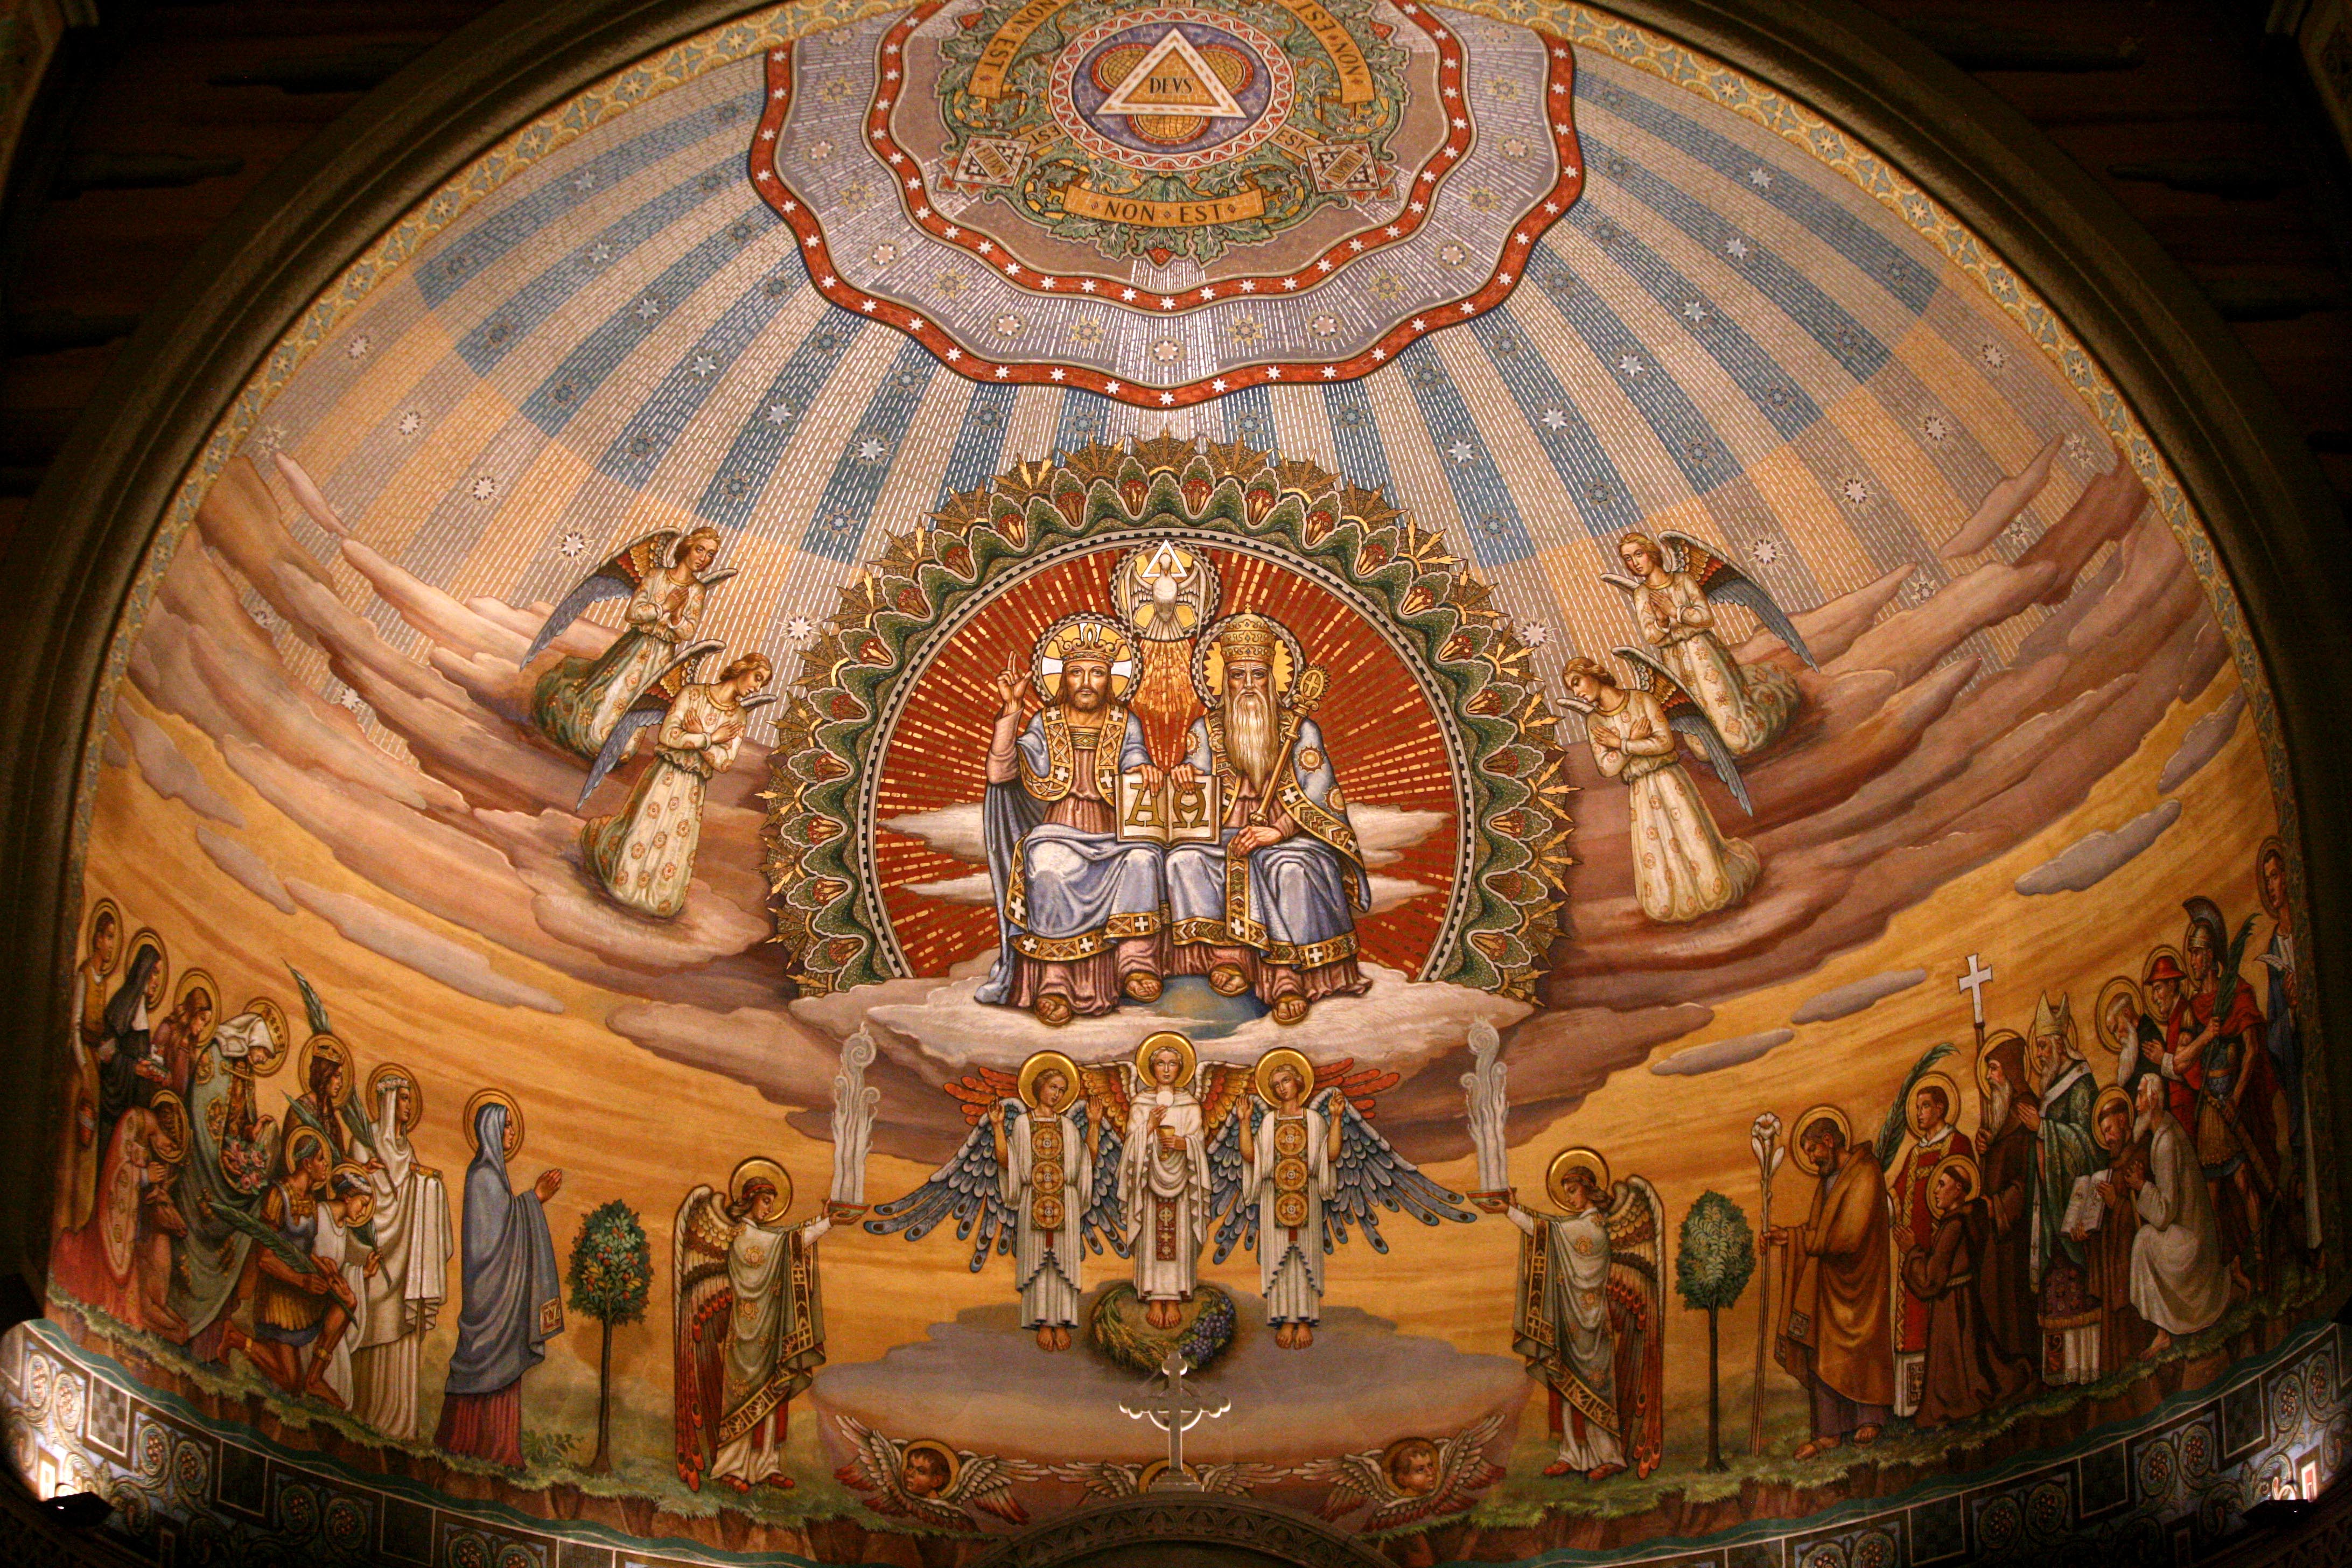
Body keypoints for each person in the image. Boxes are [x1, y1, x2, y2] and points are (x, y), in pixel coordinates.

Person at [1165, 614, 1370, 1023]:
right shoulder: (1206, 730)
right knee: (1183, 860)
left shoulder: (1301, 730)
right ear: (1224, 680)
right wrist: (1185, 776)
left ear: (1272, 679)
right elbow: (1195, 796)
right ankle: (1228, 959)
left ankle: (1286, 977)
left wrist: (1277, 831)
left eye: (1257, 675)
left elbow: (1320, 798)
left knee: (1286, 867)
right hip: (1224, 832)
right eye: (1237, 675)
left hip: (1292, 834)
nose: (1247, 685)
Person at [977, 616, 1165, 1023]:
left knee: (1144, 859)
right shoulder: (1045, 723)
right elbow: (1000, 772)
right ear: (1063, 678)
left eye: (1097, 673)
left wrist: (1143, 770)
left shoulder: (1124, 722)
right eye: (1077, 672)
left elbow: (1135, 758)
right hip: (1058, 829)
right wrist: (1011, 711)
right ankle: (1056, 982)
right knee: (1048, 869)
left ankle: (1135, 964)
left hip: (1112, 830)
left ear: (1110, 680)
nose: (1086, 682)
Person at [1563, 655, 1758, 922]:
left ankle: (1711, 889)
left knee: (1691, 835)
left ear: (1594, 673)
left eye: (1577, 682)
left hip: (1669, 780)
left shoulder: (1642, 700)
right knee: (1661, 847)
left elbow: (1665, 743)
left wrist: (1621, 745)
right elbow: (1607, 767)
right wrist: (1630, 742)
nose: (1577, 692)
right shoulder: (1595, 722)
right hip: (1641, 791)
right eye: (1571, 688)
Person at [581, 652, 771, 919]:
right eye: (757, 678)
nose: (757, 688)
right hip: (665, 774)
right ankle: (625, 877)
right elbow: (668, 736)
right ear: (742, 669)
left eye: (763, 683)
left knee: (673, 842)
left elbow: (724, 762)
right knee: (644, 829)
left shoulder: (738, 717)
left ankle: (655, 893)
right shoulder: (692, 694)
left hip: (692, 787)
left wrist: (698, 735)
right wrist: (711, 739)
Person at [1508, 1152, 1660, 1479]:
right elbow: (1549, 1227)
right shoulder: (1574, 1226)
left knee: (1596, 1388)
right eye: (1566, 1193)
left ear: (1589, 1189)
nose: (1569, 1199)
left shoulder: (1593, 1228)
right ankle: (1571, 1455)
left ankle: (1610, 1457)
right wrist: (1514, 1208)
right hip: (1570, 1318)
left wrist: (1509, 1210)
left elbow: (1546, 1230)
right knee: (1566, 1387)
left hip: (1591, 1324)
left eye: (1573, 1191)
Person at [434, 1098, 564, 1468]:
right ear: (490, 1130)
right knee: (484, 1359)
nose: (511, 1132)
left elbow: (504, 1226)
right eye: (506, 1126)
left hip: (501, 1295)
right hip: (489, 1295)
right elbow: (493, 1240)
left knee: (502, 1363)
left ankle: (497, 1450)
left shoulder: (494, 1176)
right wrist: (535, 1199)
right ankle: (467, 1443)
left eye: (510, 1126)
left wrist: (528, 1203)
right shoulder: (484, 1176)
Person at [2171, 899, 2283, 1293]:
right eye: (2191, 952)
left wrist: (2236, 1095)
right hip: (2210, 1113)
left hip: (2235, 1104)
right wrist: (2208, 1036)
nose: (2193, 960)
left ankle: (2262, 1259)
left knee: (2245, 1182)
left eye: (2199, 951)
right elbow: (2181, 1062)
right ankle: (2225, 1272)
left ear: (2214, 956)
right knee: (2213, 1197)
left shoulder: (2238, 993)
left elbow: (2253, 1050)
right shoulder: (2192, 1010)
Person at [1767, 1110, 1893, 1460]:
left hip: (1862, 1280)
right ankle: (1828, 1433)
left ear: (1828, 1141)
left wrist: (1803, 1240)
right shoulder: (1827, 1181)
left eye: (1812, 1150)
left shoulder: (1865, 1172)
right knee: (1819, 1351)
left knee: (1861, 1346)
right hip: (1828, 1282)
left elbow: (1850, 1235)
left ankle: (1870, 1419)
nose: (1811, 1159)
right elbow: (1819, 1231)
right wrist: (1790, 1236)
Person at [533, 527, 723, 757]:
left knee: (633, 713)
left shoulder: (697, 591)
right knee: (611, 693)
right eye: (700, 550)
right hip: (634, 647)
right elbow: (633, 614)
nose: (703, 558)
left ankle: (616, 745)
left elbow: (688, 631)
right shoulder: (657, 576)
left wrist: (675, 619)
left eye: (710, 554)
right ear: (687, 548)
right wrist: (664, 607)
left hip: (661, 657)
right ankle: (590, 734)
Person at [1613, 530, 1798, 754]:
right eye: (1628, 559)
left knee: (1740, 739)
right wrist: (1661, 622)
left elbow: (1706, 618)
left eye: (1638, 554)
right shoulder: (1642, 594)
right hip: (1676, 662)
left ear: (1651, 553)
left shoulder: (1682, 580)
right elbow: (1651, 636)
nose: (1634, 563)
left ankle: (1773, 697)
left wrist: (1675, 612)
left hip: (1704, 653)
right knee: (1703, 750)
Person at [351, 1067, 453, 1440]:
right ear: (389, 1100)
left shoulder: (407, 1150)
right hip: (374, 1256)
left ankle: (398, 1421)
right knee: (371, 1329)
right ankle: (362, 1412)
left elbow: (410, 1189)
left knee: (400, 1341)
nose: (409, 1106)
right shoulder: (363, 1143)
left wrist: (427, 1186)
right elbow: (357, 1196)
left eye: (410, 1099)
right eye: (404, 1098)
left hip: (406, 1260)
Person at [709, 1173, 829, 1491]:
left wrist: (825, 1220)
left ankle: (766, 1466)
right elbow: (789, 1242)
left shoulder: (766, 1235)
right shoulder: (741, 1234)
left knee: (775, 1394)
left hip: (771, 1328)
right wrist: (828, 1223)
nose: (769, 1208)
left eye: (772, 1203)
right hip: (745, 1332)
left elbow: (789, 1238)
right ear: (749, 1200)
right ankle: (732, 1467)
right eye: (765, 1201)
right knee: (742, 1396)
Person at [223, 1127, 358, 1405]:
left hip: (301, 1287)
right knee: (291, 1384)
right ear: (307, 1163)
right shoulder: (279, 1195)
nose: (326, 1166)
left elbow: (301, 1250)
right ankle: (235, 1339)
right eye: (321, 1160)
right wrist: (303, 1281)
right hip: (279, 1295)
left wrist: (322, 1264)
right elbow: (265, 1258)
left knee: (347, 1300)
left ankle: (315, 1378)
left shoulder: (309, 1199)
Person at [1900, 1156, 2032, 1427]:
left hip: (1951, 1305)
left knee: (1960, 1364)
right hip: (1964, 1299)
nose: (1936, 1191)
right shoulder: (1969, 1217)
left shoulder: (1953, 1225)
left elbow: (1930, 1280)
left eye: (1942, 1185)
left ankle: (1960, 1404)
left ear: (1959, 1189)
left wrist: (1912, 1251)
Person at [1238, 1051, 1340, 1348]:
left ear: (1298, 1082)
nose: (1281, 1088)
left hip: (1307, 1195)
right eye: (1275, 1085)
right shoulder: (1269, 1122)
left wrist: (1336, 1118)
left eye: (1285, 1081)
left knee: (1306, 1258)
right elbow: (1252, 1157)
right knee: (1280, 1261)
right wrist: (1244, 1122)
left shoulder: (1315, 1120)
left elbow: (1330, 1155)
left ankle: (1305, 1319)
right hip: (1274, 1198)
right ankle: (1284, 1318)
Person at [2026, 995, 2102, 1380]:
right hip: (2049, 1205)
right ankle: (2059, 1374)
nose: (2039, 1054)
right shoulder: (2050, 1084)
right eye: (2038, 1046)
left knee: (2076, 1286)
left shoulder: (2082, 1083)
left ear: (2059, 1043)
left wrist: (2044, 1130)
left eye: (2043, 1046)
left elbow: (2089, 1142)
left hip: (2075, 1203)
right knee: (2055, 1287)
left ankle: (2084, 1368)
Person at [2127, 1072, 2229, 1355]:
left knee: (2143, 1241)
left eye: (2140, 1095)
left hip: (2193, 1242)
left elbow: (2165, 1214)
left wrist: (2141, 1186)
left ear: (2154, 1100)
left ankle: (2163, 1332)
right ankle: (2163, 1331)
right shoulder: (2166, 1129)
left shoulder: (2166, 1143)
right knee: (2147, 1239)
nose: (2137, 1104)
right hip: (2192, 1232)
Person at [1886, 1077, 1971, 1414]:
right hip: (1914, 1248)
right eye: (1917, 1107)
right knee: (1913, 1322)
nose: (1919, 1113)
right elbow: (1896, 1196)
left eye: (1925, 1106)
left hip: (1945, 1252)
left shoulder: (1957, 1144)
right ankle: (1912, 1406)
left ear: (1941, 1108)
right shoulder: (1915, 1153)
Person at [997, 1054, 1091, 1352]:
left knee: (1062, 1264)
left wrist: (1096, 1124)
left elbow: (1085, 1163)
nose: (1057, 1094)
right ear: (1039, 1087)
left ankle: (1062, 1321)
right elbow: (1008, 1162)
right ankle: (1042, 1322)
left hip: (1065, 1200)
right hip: (1033, 1199)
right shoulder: (1022, 1125)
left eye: (1062, 1090)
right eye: (1053, 1087)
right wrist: (997, 1126)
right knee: (1039, 1264)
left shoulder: (1069, 1126)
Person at [1121, 1034, 1210, 1331]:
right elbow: (1131, 1146)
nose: (1167, 1069)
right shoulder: (1141, 1103)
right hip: (1149, 1183)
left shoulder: (1190, 1105)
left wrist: (1185, 1144)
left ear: (1181, 1069)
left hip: (1182, 1182)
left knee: (1179, 1238)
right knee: (1152, 1238)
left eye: (1173, 1064)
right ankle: (1153, 1297)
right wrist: (1149, 1126)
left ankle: (1173, 1298)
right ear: (1152, 1068)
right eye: (1161, 1063)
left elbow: (1198, 1143)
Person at [2255, 839, 2317, 1251]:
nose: (2273, 886)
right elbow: (2274, 1030)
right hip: (2302, 1072)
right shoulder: (2275, 950)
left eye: (2277, 875)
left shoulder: (2309, 926)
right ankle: (2318, 1243)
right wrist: (2292, 1012)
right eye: (2268, 880)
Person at [2069, 1086, 2147, 1376]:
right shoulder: (2110, 1169)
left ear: (2124, 1121)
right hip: (2113, 1267)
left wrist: (2118, 1204)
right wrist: (2087, 1233)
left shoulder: (2141, 1156)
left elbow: (2152, 1215)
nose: (2107, 1138)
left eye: (2110, 1130)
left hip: (2135, 1266)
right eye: (2103, 1133)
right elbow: (2105, 1225)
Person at [1973, 1037, 2040, 1378]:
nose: (1989, 1077)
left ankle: (2023, 1368)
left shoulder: (2025, 1110)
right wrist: (1985, 1148)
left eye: (1995, 1069)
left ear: (2012, 1071)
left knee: (2014, 1298)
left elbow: (2029, 1174)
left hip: (2018, 1225)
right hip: (1999, 1226)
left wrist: (1999, 1206)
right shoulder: (2002, 1110)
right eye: (1988, 1070)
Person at [54, 904, 120, 1234]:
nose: (110, 944)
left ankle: (79, 1218)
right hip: (80, 1067)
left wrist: (106, 1051)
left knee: (88, 1143)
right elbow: (76, 1025)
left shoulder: (103, 980)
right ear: (95, 939)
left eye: (113, 938)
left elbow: (96, 1029)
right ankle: (62, 1216)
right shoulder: (84, 976)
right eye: (107, 937)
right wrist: (82, 1068)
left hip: (93, 1064)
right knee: (72, 1139)